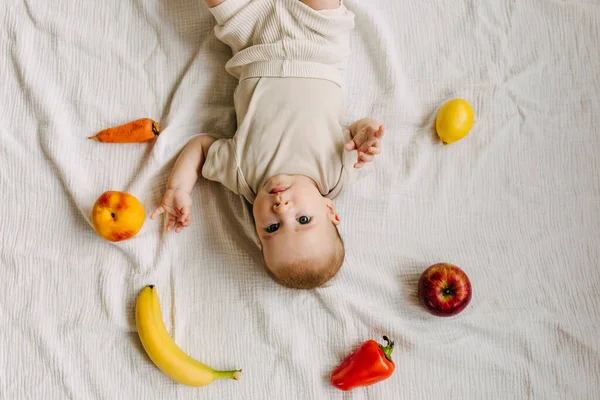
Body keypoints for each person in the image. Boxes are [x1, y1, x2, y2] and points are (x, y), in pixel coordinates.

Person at [151, 0, 385, 289]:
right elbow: (363, 130)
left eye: (272, 228)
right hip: (320, 43)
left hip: (251, 40)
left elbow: (200, 148)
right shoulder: (339, 172)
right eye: (303, 219)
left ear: (258, 233)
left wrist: (178, 188)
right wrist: (368, 133)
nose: (282, 209)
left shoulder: (242, 176)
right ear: (330, 211)